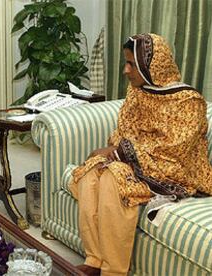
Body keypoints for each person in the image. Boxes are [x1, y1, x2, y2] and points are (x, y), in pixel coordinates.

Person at [69, 33, 212, 276]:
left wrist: (117, 153)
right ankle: (94, 259)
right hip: (137, 161)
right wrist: (114, 152)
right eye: (125, 62)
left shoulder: (188, 101)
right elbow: (124, 131)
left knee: (114, 178)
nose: (125, 70)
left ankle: (114, 271)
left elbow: (173, 150)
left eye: (131, 64)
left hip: (175, 171)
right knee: (92, 172)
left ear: (151, 66)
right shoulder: (138, 91)